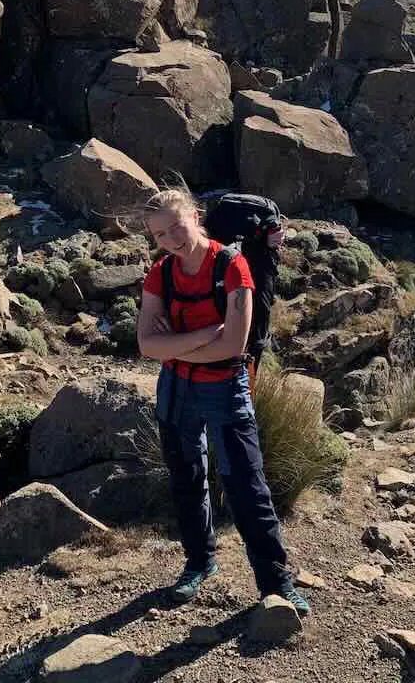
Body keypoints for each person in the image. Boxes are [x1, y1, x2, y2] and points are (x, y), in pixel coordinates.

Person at [135, 184, 308, 612]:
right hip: (176, 388)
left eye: (176, 227)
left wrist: (174, 346)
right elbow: (146, 344)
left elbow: (233, 345)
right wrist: (199, 339)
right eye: (159, 235)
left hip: (225, 387)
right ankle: (199, 563)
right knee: (186, 478)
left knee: (247, 486)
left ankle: (276, 583)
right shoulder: (161, 273)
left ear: (196, 217)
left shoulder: (232, 265)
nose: (170, 240)